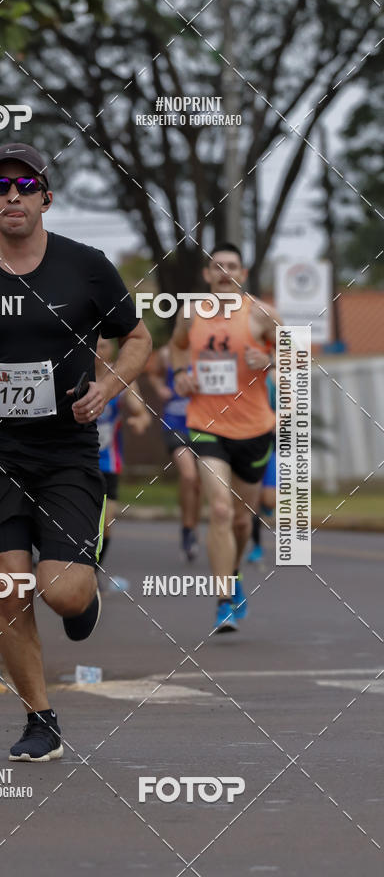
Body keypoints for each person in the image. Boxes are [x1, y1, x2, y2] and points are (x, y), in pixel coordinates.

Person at [0, 142, 152, 761]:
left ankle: (85, 586)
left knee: (63, 593)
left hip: (67, 450)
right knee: (9, 588)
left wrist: (108, 385)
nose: (12, 195)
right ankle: (39, 718)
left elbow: (136, 335)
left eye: (26, 185)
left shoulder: (87, 267)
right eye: (0, 186)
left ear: (47, 197)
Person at [170, 243, 280, 633]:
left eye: (232, 266)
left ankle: (233, 576)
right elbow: (176, 350)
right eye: (217, 266)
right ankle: (223, 602)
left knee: (240, 519)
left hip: (253, 429)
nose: (224, 272)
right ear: (207, 275)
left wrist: (269, 360)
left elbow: (298, 355)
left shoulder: (262, 314)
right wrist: (182, 374)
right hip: (206, 423)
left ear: (243, 274)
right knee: (218, 508)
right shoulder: (190, 314)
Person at [95, 336, 152, 591]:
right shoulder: (74, 372)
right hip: (75, 461)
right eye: (92, 345)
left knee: (106, 523)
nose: (97, 351)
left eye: (103, 346)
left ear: (112, 351)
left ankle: (92, 574)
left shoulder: (119, 378)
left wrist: (139, 420)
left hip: (108, 462)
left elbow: (142, 413)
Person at [147, 344, 201, 561]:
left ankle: (192, 527)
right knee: (188, 475)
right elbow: (153, 374)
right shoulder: (166, 352)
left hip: (202, 423)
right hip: (174, 423)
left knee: (199, 483)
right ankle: (187, 529)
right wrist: (160, 387)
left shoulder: (205, 349)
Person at [247, 370, 277, 562]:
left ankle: (267, 507)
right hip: (248, 444)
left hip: (270, 443)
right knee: (253, 501)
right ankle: (257, 546)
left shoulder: (273, 377)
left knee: (269, 500)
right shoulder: (242, 377)